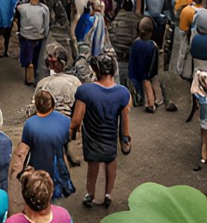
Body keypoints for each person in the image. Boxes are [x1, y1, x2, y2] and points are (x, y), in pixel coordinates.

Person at [71, 53, 131, 208]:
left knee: (93, 164)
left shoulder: (85, 91)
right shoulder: (123, 93)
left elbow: (77, 118)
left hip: (92, 135)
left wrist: (72, 131)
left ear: (96, 70)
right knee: (111, 161)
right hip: (110, 136)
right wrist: (125, 139)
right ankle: (108, 194)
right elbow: (125, 119)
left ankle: (90, 194)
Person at [11, 89, 74, 199]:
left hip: (37, 168)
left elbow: (23, 151)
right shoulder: (66, 121)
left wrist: (17, 171)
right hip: (58, 169)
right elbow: (68, 145)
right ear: (52, 104)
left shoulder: (30, 124)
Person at [128, 16, 173, 113]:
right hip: (148, 72)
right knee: (150, 85)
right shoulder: (152, 46)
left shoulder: (135, 43)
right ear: (151, 33)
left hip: (137, 71)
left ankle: (146, 102)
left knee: (142, 88)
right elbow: (154, 61)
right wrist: (150, 73)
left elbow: (132, 58)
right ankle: (152, 104)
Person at [14, 0, 49, 85]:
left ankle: (28, 78)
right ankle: (35, 77)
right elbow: (46, 24)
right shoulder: (44, 9)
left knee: (27, 57)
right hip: (39, 36)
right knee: (36, 58)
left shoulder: (22, 7)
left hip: (26, 36)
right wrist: (45, 35)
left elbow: (17, 9)